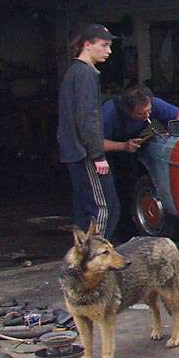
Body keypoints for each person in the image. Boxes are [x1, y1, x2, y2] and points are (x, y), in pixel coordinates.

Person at [57, 23, 120, 239]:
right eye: (103, 45)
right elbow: (87, 118)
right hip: (84, 153)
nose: (108, 51)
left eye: (109, 46)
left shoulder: (74, 71)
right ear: (87, 45)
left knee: (83, 209)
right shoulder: (84, 74)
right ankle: (94, 254)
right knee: (104, 208)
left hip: (74, 151)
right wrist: (98, 155)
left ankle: (82, 254)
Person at [102, 85, 179, 231]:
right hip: (112, 151)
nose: (147, 116)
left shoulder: (151, 103)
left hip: (136, 150)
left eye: (149, 111)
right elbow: (95, 143)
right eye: (140, 114)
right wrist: (123, 146)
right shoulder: (110, 112)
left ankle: (133, 227)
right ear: (127, 110)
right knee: (113, 193)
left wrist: (173, 129)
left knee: (132, 187)